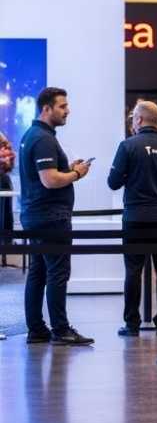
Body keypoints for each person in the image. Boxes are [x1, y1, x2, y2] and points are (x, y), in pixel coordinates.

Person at [20, 87, 93, 345]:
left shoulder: (34, 136)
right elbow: (50, 180)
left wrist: (68, 169)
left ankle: (37, 329)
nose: (67, 110)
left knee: (38, 273)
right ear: (46, 108)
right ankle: (61, 330)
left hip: (36, 215)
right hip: (50, 217)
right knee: (57, 273)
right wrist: (77, 174)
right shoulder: (43, 139)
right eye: (62, 106)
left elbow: (48, 175)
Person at [106, 100, 157, 337]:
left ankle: (132, 324)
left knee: (133, 271)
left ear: (138, 120)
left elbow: (113, 182)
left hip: (136, 217)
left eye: (132, 117)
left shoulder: (128, 146)